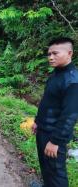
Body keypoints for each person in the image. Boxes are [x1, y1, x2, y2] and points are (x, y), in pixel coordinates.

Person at [32, 37, 78, 187]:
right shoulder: (56, 74)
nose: (50, 57)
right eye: (49, 53)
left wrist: (55, 141)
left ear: (69, 53)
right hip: (43, 130)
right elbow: (47, 102)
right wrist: (37, 121)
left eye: (55, 53)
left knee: (56, 173)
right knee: (46, 167)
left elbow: (70, 116)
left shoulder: (73, 81)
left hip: (54, 135)